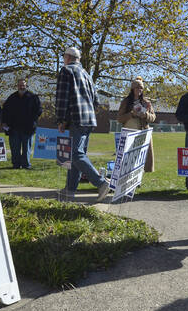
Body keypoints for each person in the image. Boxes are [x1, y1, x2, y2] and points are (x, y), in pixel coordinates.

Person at [56, 47, 110, 201]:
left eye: (64, 57)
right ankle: (70, 189)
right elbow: (96, 101)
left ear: (68, 57)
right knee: (78, 155)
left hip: (76, 118)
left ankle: (100, 183)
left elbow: (62, 98)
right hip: (89, 119)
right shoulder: (86, 74)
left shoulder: (66, 71)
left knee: (75, 154)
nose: (63, 59)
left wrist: (61, 119)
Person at [117, 77, 156, 172]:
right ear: (132, 89)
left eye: (141, 88)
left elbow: (153, 117)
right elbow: (119, 118)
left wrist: (145, 115)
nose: (139, 90)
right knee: (130, 157)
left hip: (143, 131)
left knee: (142, 156)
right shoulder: (126, 102)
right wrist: (131, 114)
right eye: (137, 88)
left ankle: (141, 173)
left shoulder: (146, 102)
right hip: (129, 132)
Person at [2, 79, 42, 169]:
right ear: (17, 86)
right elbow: (5, 110)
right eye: (20, 85)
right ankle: (16, 164)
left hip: (28, 127)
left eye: (23, 85)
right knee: (15, 148)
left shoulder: (33, 97)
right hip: (14, 128)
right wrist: (4, 122)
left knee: (26, 148)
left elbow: (39, 110)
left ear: (26, 86)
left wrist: (33, 121)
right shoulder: (12, 97)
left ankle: (26, 165)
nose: (22, 87)